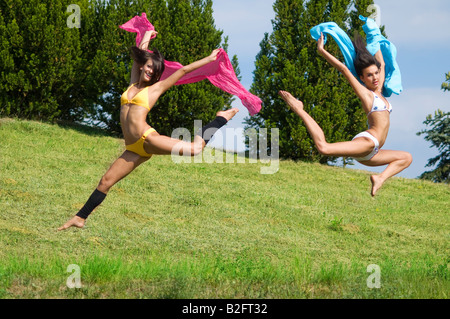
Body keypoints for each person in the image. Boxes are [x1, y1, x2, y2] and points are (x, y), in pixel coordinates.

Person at [58, 30, 238, 230]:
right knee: (105, 181)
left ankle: (220, 118)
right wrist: (146, 36)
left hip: (147, 139)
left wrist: (210, 58)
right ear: (143, 65)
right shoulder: (133, 83)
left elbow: (183, 71)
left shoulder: (155, 89)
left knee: (195, 149)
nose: (151, 71)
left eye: (155, 70)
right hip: (133, 148)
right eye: (149, 66)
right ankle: (80, 218)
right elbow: (140, 56)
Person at [279, 33, 412, 196]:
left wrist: (374, 36)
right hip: (368, 142)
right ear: (362, 78)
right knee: (324, 148)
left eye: (376, 73)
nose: (375, 77)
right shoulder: (367, 95)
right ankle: (299, 109)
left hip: (373, 152)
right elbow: (343, 69)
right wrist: (322, 51)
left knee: (406, 158)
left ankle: (380, 178)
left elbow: (382, 64)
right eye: (369, 75)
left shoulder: (378, 91)